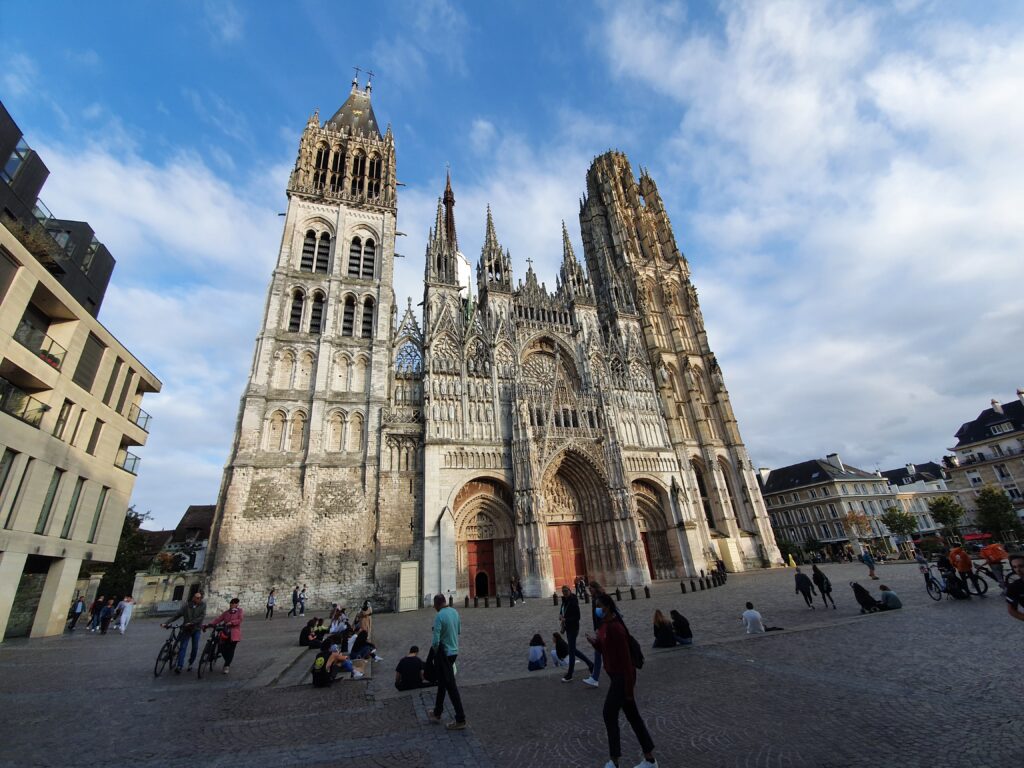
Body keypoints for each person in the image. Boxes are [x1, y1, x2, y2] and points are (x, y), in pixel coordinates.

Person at [586, 592, 658, 768]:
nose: (597, 609)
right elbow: (605, 648)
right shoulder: (606, 625)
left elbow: (626, 661)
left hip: (622, 679)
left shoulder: (616, 628)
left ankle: (615, 761)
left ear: (608, 607)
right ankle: (649, 759)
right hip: (616, 678)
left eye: (599, 606)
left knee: (609, 713)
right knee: (633, 717)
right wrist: (594, 642)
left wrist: (628, 689)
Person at [427, 593, 466, 730]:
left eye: (434, 606)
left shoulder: (439, 616)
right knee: (443, 684)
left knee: (451, 687)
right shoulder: (455, 612)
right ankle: (437, 713)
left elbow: (436, 642)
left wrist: (435, 653)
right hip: (454, 652)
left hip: (444, 655)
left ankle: (460, 719)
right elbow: (458, 631)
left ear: (437, 605)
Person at [558, 584, 595, 683]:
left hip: (573, 628)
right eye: (563, 591)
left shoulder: (573, 602)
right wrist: (561, 615)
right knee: (572, 649)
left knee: (571, 651)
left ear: (570, 590)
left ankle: (570, 674)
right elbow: (562, 610)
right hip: (568, 628)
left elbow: (577, 617)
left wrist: (566, 619)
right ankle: (590, 664)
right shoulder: (564, 600)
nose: (565, 593)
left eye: (566, 591)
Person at [164, 590, 207, 673]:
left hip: (196, 629)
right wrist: (166, 623)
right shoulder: (187, 606)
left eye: (199, 598)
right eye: (195, 597)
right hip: (186, 629)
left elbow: (201, 617)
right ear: (193, 597)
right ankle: (179, 665)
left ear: (201, 599)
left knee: (195, 647)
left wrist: (192, 623)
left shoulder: (203, 605)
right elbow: (177, 615)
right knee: (183, 647)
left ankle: (190, 663)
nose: (197, 599)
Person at [582, 580, 609, 688]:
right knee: (599, 652)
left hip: (603, 628)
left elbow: (603, 614)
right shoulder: (596, 598)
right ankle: (595, 677)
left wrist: (599, 628)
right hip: (601, 628)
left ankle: (595, 677)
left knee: (601, 652)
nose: (589, 590)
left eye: (591, 588)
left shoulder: (600, 599)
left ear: (595, 588)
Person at [206, 597, 244, 673]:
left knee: (231, 650)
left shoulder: (240, 611)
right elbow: (219, 619)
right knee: (221, 647)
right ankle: (227, 661)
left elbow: (240, 620)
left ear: (237, 604)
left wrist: (232, 622)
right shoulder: (226, 612)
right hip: (225, 632)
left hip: (234, 633)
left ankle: (227, 665)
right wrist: (211, 624)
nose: (232, 604)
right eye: (231, 603)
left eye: (234, 603)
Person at [1003, 553, 1024, 622]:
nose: (1018, 570)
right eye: (1014, 567)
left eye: (1021, 566)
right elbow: (1011, 610)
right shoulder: (1013, 587)